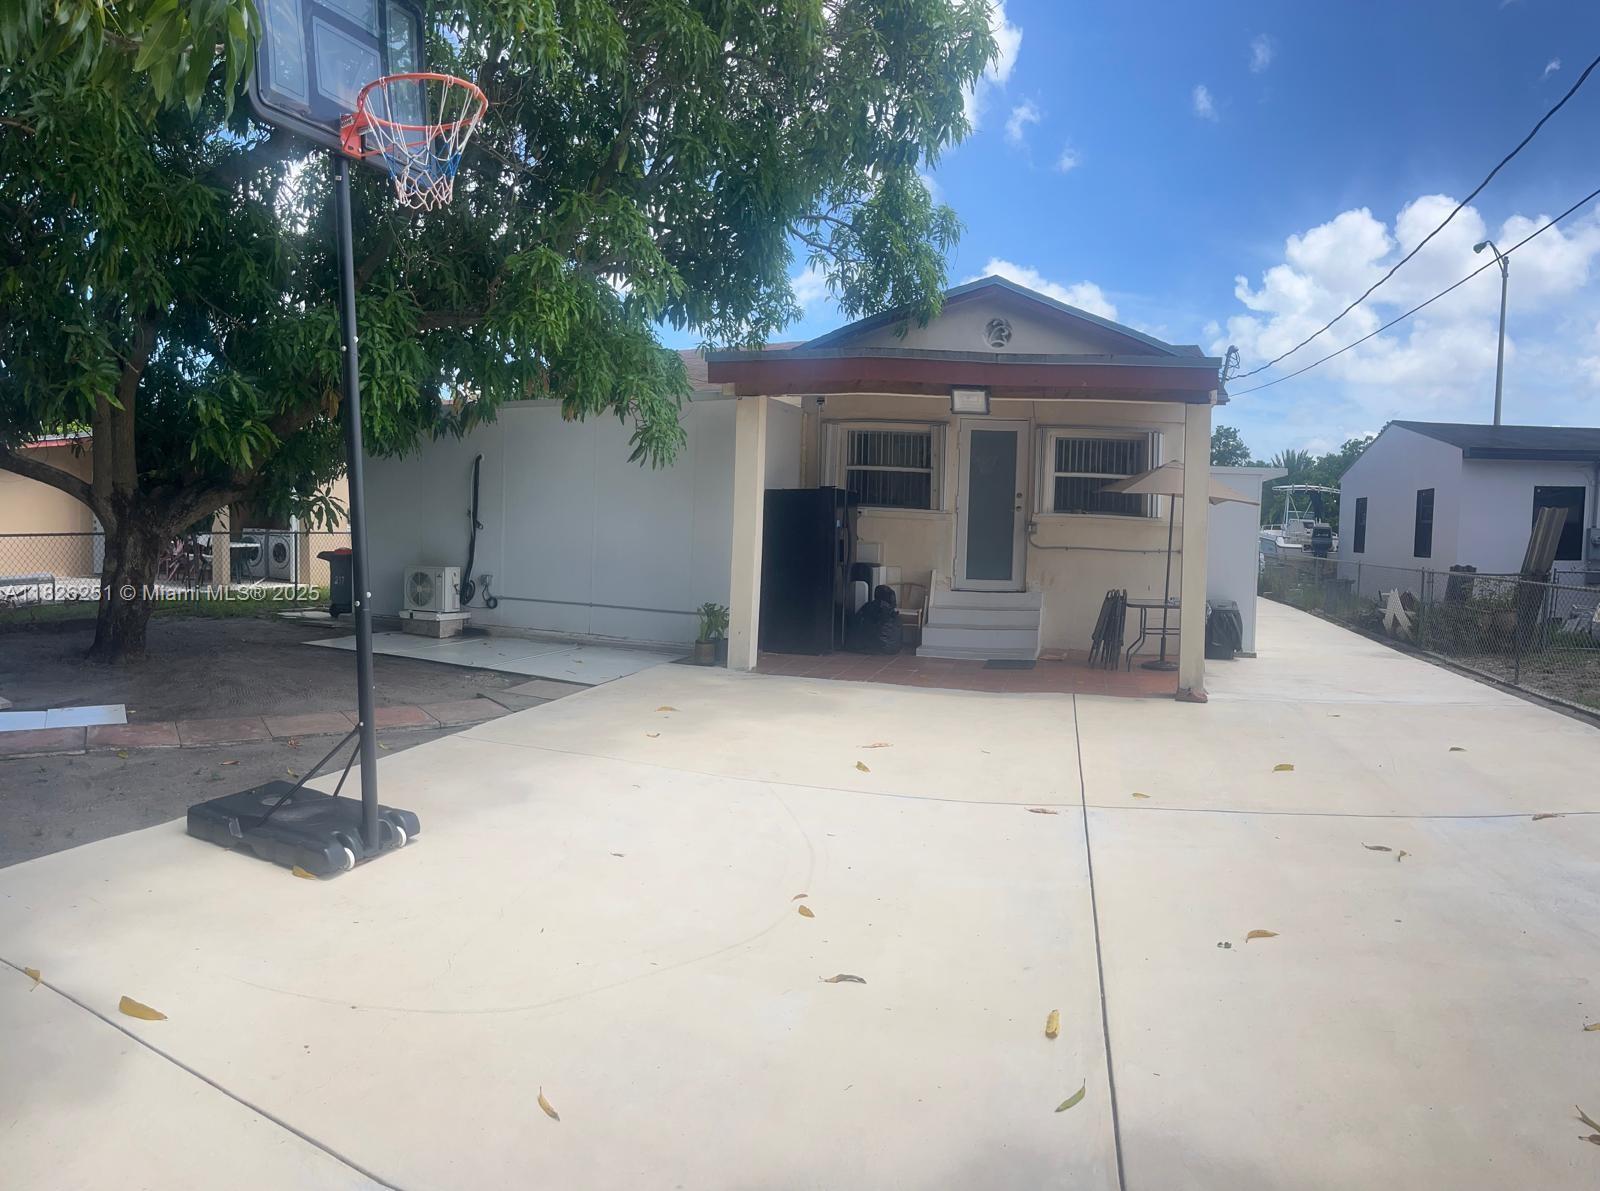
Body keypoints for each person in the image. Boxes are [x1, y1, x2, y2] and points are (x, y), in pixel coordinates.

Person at [846, 584, 903, 655]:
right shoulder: (890, 611)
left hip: (876, 645)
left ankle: (873, 646)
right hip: (894, 648)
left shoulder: (872, 606)